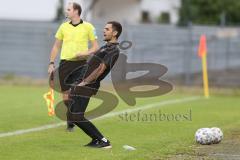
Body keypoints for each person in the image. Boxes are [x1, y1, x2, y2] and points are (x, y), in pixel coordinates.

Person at [66, 21, 122, 149]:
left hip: (88, 85)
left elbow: (101, 68)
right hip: (81, 83)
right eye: (104, 28)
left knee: (76, 115)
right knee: (74, 115)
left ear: (115, 33)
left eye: (107, 29)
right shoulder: (105, 47)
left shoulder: (114, 50)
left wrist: (84, 82)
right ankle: (96, 140)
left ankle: (103, 141)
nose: (104, 31)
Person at [47, 2, 99, 131]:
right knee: (65, 95)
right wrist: (52, 63)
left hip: (81, 65)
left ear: (76, 11)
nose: (66, 11)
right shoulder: (63, 27)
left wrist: (85, 53)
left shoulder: (88, 27)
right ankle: (70, 118)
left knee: (75, 92)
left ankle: (75, 116)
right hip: (65, 64)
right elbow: (56, 46)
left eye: (69, 9)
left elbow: (95, 47)